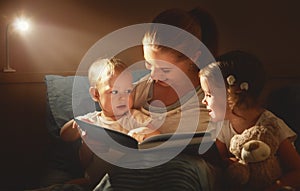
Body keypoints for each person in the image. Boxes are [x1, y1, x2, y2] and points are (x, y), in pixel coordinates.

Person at [199, 50, 300, 190]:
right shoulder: (221, 125)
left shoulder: (271, 125)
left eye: (209, 94)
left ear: (233, 92)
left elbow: (297, 171)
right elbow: (219, 163)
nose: (203, 100)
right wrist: (229, 163)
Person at [60, 57, 160, 188]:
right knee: (69, 186)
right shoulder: (92, 121)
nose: (123, 97)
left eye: (128, 91)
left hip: (129, 177)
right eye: (114, 91)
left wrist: (145, 133)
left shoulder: (134, 117)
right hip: (95, 178)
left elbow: (158, 136)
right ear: (96, 94)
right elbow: (64, 135)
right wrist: (78, 127)